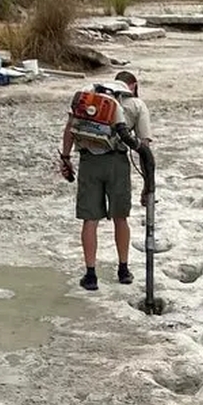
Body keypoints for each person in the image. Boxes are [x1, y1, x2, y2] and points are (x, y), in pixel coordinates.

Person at [59, 69, 154, 290]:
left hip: (89, 162)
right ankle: (123, 270)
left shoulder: (89, 97)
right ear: (133, 85)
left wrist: (65, 159)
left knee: (90, 220)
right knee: (121, 218)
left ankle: (91, 275)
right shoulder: (137, 105)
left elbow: (69, 130)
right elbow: (144, 148)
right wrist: (147, 186)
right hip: (118, 164)